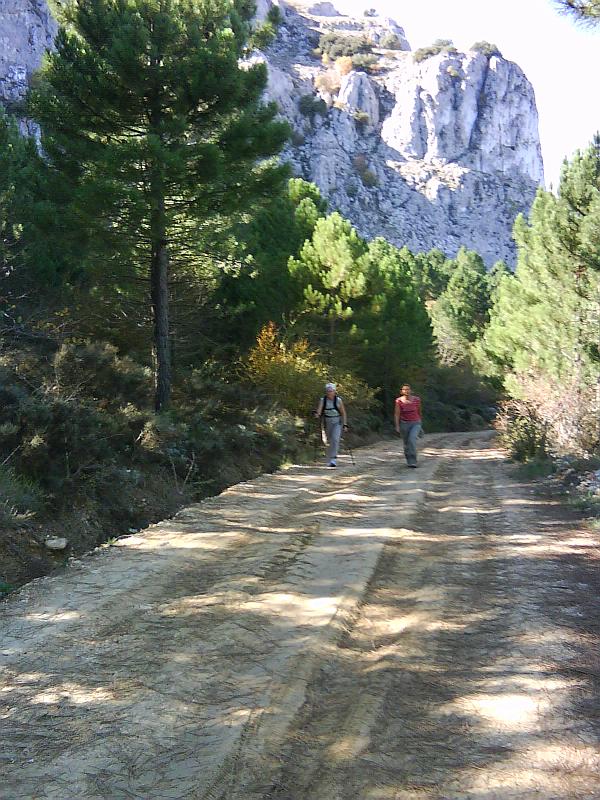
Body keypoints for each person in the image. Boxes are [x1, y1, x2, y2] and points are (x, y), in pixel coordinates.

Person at [314, 382, 348, 467]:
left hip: (337, 422)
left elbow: (343, 413)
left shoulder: (338, 400)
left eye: (331, 391)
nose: (329, 393)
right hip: (327, 422)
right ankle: (329, 458)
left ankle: (333, 459)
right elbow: (319, 411)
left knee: (335, 439)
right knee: (329, 440)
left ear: (334, 391)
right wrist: (317, 415)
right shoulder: (323, 400)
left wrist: (345, 424)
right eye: (328, 391)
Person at [394, 383, 422, 468]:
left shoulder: (416, 400)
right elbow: (397, 414)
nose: (406, 391)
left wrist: (420, 421)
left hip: (415, 423)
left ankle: (413, 461)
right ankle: (409, 460)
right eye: (404, 389)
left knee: (412, 440)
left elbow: (419, 411)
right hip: (404, 424)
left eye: (408, 389)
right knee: (406, 443)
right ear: (402, 391)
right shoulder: (399, 401)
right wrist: (397, 426)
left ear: (411, 391)